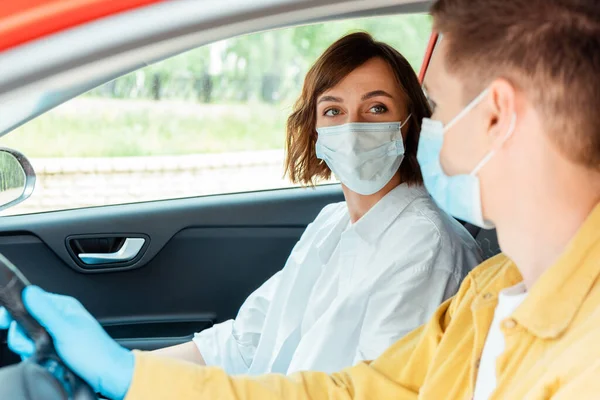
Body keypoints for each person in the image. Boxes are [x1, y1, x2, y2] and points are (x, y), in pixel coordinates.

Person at [3, 0, 599, 398]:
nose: (432, 139)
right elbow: (338, 385)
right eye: (334, 110)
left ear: (495, 117)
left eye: (433, 111)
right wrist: (128, 373)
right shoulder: (485, 294)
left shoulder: (577, 357)